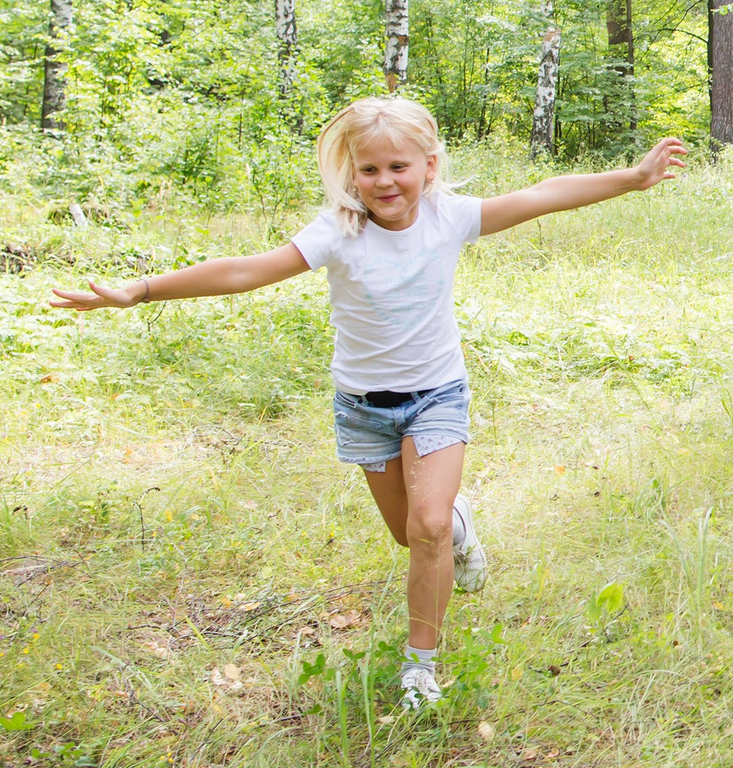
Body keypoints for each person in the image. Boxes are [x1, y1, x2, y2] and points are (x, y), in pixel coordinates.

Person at [51, 95, 687, 709]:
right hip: (363, 407)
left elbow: (542, 196)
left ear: (428, 166)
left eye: (399, 167)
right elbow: (248, 270)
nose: (385, 182)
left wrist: (632, 178)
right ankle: (461, 531)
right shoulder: (337, 232)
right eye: (370, 169)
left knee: (426, 524)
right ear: (351, 172)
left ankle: (421, 666)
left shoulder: (450, 218)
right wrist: (143, 290)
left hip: (436, 395)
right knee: (411, 535)